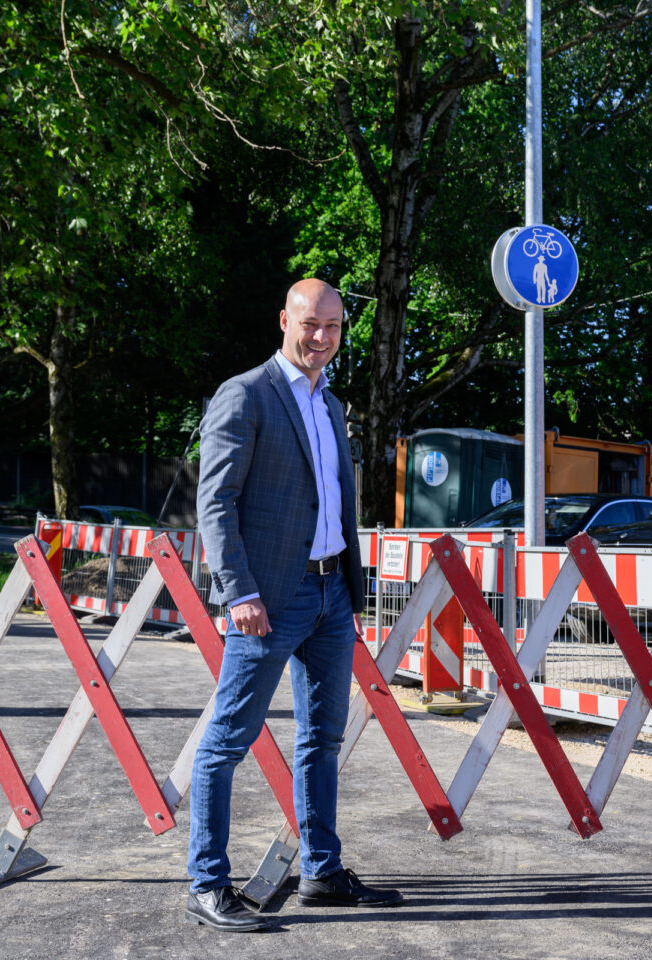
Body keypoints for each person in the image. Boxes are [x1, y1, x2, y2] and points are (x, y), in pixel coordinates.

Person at [188, 279, 402, 932]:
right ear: (285, 320)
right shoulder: (246, 395)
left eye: (334, 327)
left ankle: (320, 871)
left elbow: (331, 499)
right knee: (228, 742)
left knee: (322, 739)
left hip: (330, 595)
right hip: (269, 599)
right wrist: (239, 590)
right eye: (311, 324)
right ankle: (207, 884)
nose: (322, 337)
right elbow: (216, 502)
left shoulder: (331, 405)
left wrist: (349, 589)